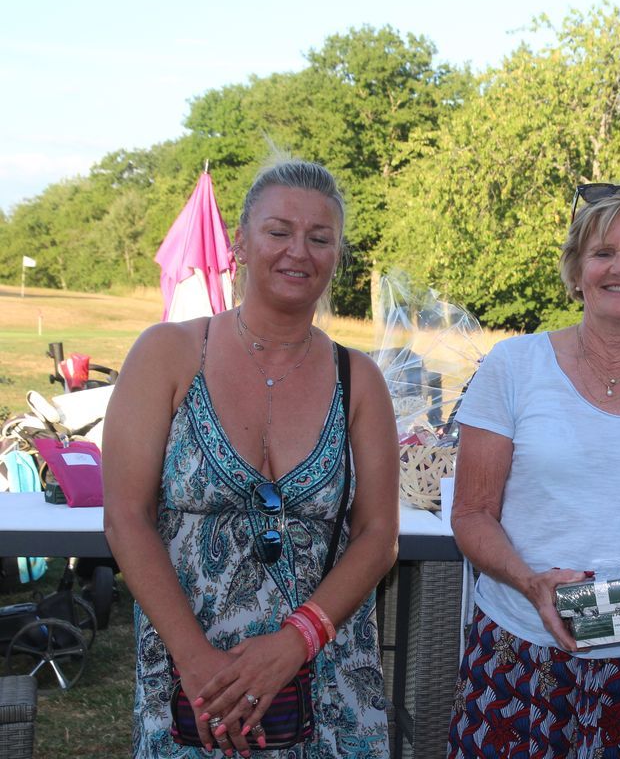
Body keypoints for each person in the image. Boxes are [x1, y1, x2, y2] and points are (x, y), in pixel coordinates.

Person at [104, 159, 400, 758]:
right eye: (279, 231)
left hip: (327, 678)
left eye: (320, 238)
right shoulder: (168, 354)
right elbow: (127, 517)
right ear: (240, 242)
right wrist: (196, 663)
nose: (299, 251)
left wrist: (295, 642)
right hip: (194, 681)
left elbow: (378, 535)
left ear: (336, 256)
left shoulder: (360, 380)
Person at [446, 182, 620, 758]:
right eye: (603, 253)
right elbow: (472, 514)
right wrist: (530, 583)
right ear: (576, 273)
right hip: (519, 650)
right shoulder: (514, 367)